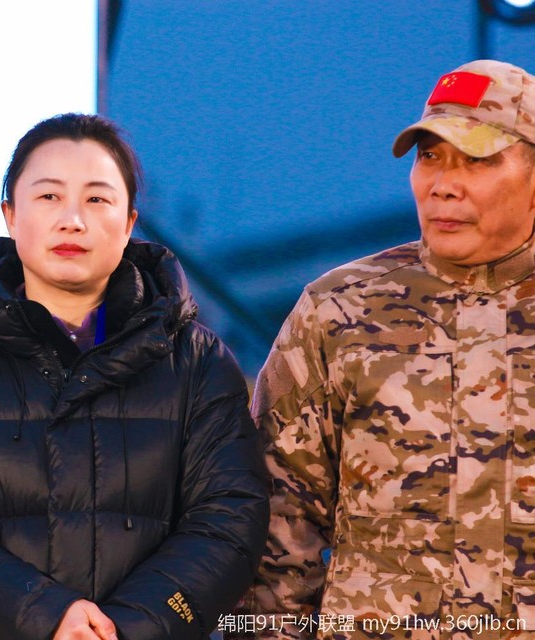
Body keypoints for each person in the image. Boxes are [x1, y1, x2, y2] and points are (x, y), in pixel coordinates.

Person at [0, 113, 269, 640]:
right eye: (49, 196)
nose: (73, 220)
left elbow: (228, 522)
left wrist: (127, 628)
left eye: (97, 199)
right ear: (10, 215)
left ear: (129, 223)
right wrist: (44, 617)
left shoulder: (197, 362)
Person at [233, 59, 535, 638]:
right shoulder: (339, 310)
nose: (443, 184)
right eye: (430, 157)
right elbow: (272, 532)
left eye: (476, 160)